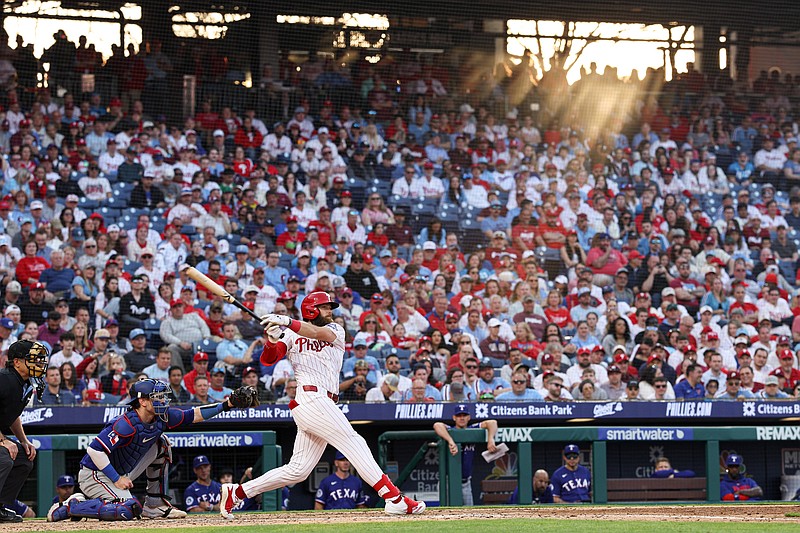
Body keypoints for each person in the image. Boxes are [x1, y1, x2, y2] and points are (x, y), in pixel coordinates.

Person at [219, 291, 426, 518]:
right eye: (326, 307)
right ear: (311, 309)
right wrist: (272, 339)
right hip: (311, 398)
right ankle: (393, 497)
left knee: (298, 470)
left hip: (321, 402)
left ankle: (237, 492)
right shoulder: (290, 335)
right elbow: (268, 359)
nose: (330, 311)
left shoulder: (335, 329)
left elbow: (318, 333)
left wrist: (287, 322)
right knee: (353, 442)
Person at [50, 379, 251, 522]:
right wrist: (117, 479)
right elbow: (94, 451)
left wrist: (228, 404)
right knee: (128, 510)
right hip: (95, 474)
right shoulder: (126, 423)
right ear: (143, 401)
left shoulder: (160, 418)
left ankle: (155, 505)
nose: (163, 401)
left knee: (162, 444)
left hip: (121, 472)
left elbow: (194, 415)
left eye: (163, 397)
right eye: (157, 397)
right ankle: (71, 505)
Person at [0, 340, 49, 522]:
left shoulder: (25, 383)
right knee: (4, 457)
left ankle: (1, 506)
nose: (38, 363)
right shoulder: (5, 379)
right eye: (33, 359)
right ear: (17, 362)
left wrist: (23, 441)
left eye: (39, 359)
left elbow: (12, 414)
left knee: (24, 458)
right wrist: (2, 440)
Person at [433, 404, 498, 506]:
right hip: (448, 481)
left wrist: (490, 439)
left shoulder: (473, 429)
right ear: (454, 418)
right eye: (459, 415)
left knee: (468, 511)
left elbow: (492, 422)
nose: (462, 418)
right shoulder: (450, 430)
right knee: (446, 510)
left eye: (464, 415)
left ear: (469, 417)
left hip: (465, 482)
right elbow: (437, 425)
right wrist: (450, 441)